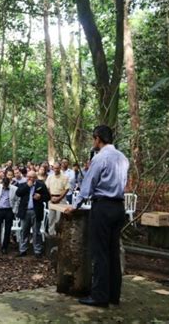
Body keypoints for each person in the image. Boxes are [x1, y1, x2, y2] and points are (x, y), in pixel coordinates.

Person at [65, 125, 129, 308]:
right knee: (113, 252)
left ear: (98, 138)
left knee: (100, 253)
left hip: (103, 207)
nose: (93, 142)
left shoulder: (100, 158)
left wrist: (75, 205)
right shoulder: (123, 158)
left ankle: (100, 296)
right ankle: (113, 295)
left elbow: (88, 184)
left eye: (94, 139)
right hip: (119, 207)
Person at [15, 171, 50, 257]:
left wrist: (40, 197)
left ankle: (37, 251)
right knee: (24, 231)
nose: (29, 179)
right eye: (28, 177)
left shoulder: (40, 185)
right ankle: (23, 250)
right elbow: (18, 193)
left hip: (36, 211)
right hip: (25, 211)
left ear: (35, 178)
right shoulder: (23, 184)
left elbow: (48, 197)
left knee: (36, 232)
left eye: (31, 177)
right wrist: (28, 186)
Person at [45, 162, 69, 236]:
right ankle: (51, 234)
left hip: (61, 199)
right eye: (54, 168)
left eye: (57, 168)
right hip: (51, 198)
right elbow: (47, 188)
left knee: (59, 218)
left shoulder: (65, 177)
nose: (56, 169)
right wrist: (51, 197)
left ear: (60, 168)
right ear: (53, 168)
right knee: (51, 217)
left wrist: (59, 198)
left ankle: (59, 233)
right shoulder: (50, 177)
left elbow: (66, 189)